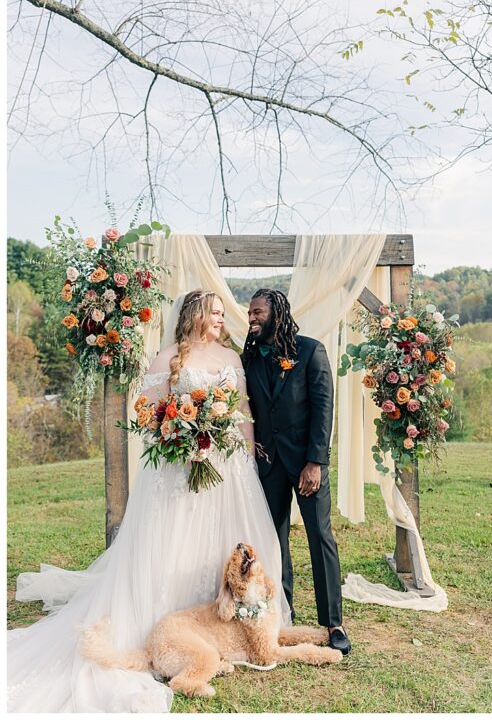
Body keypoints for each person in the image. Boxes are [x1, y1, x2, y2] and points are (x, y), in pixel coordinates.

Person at [8, 289, 288, 712]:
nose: (220, 319)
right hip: (180, 468)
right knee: (175, 541)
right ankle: (170, 629)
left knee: (221, 541)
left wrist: (247, 459)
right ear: (195, 315)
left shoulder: (232, 360)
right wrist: (180, 435)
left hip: (227, 468)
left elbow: (242, 413)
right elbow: (149, 415)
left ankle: (219, 630)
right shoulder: (168, 358)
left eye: (220, 313)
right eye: (214, 313)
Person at [242, 289, 350, 655]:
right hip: (268, 463)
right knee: (273, 540)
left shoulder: (310, 351)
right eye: (250, 313)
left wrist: (316, 462)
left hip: (306, 464)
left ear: (277, 313)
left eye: (257, 312)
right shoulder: (250, 356)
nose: (252, 318)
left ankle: (333, 621)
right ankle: (281, 614)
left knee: (320, 536)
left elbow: (324, 410)